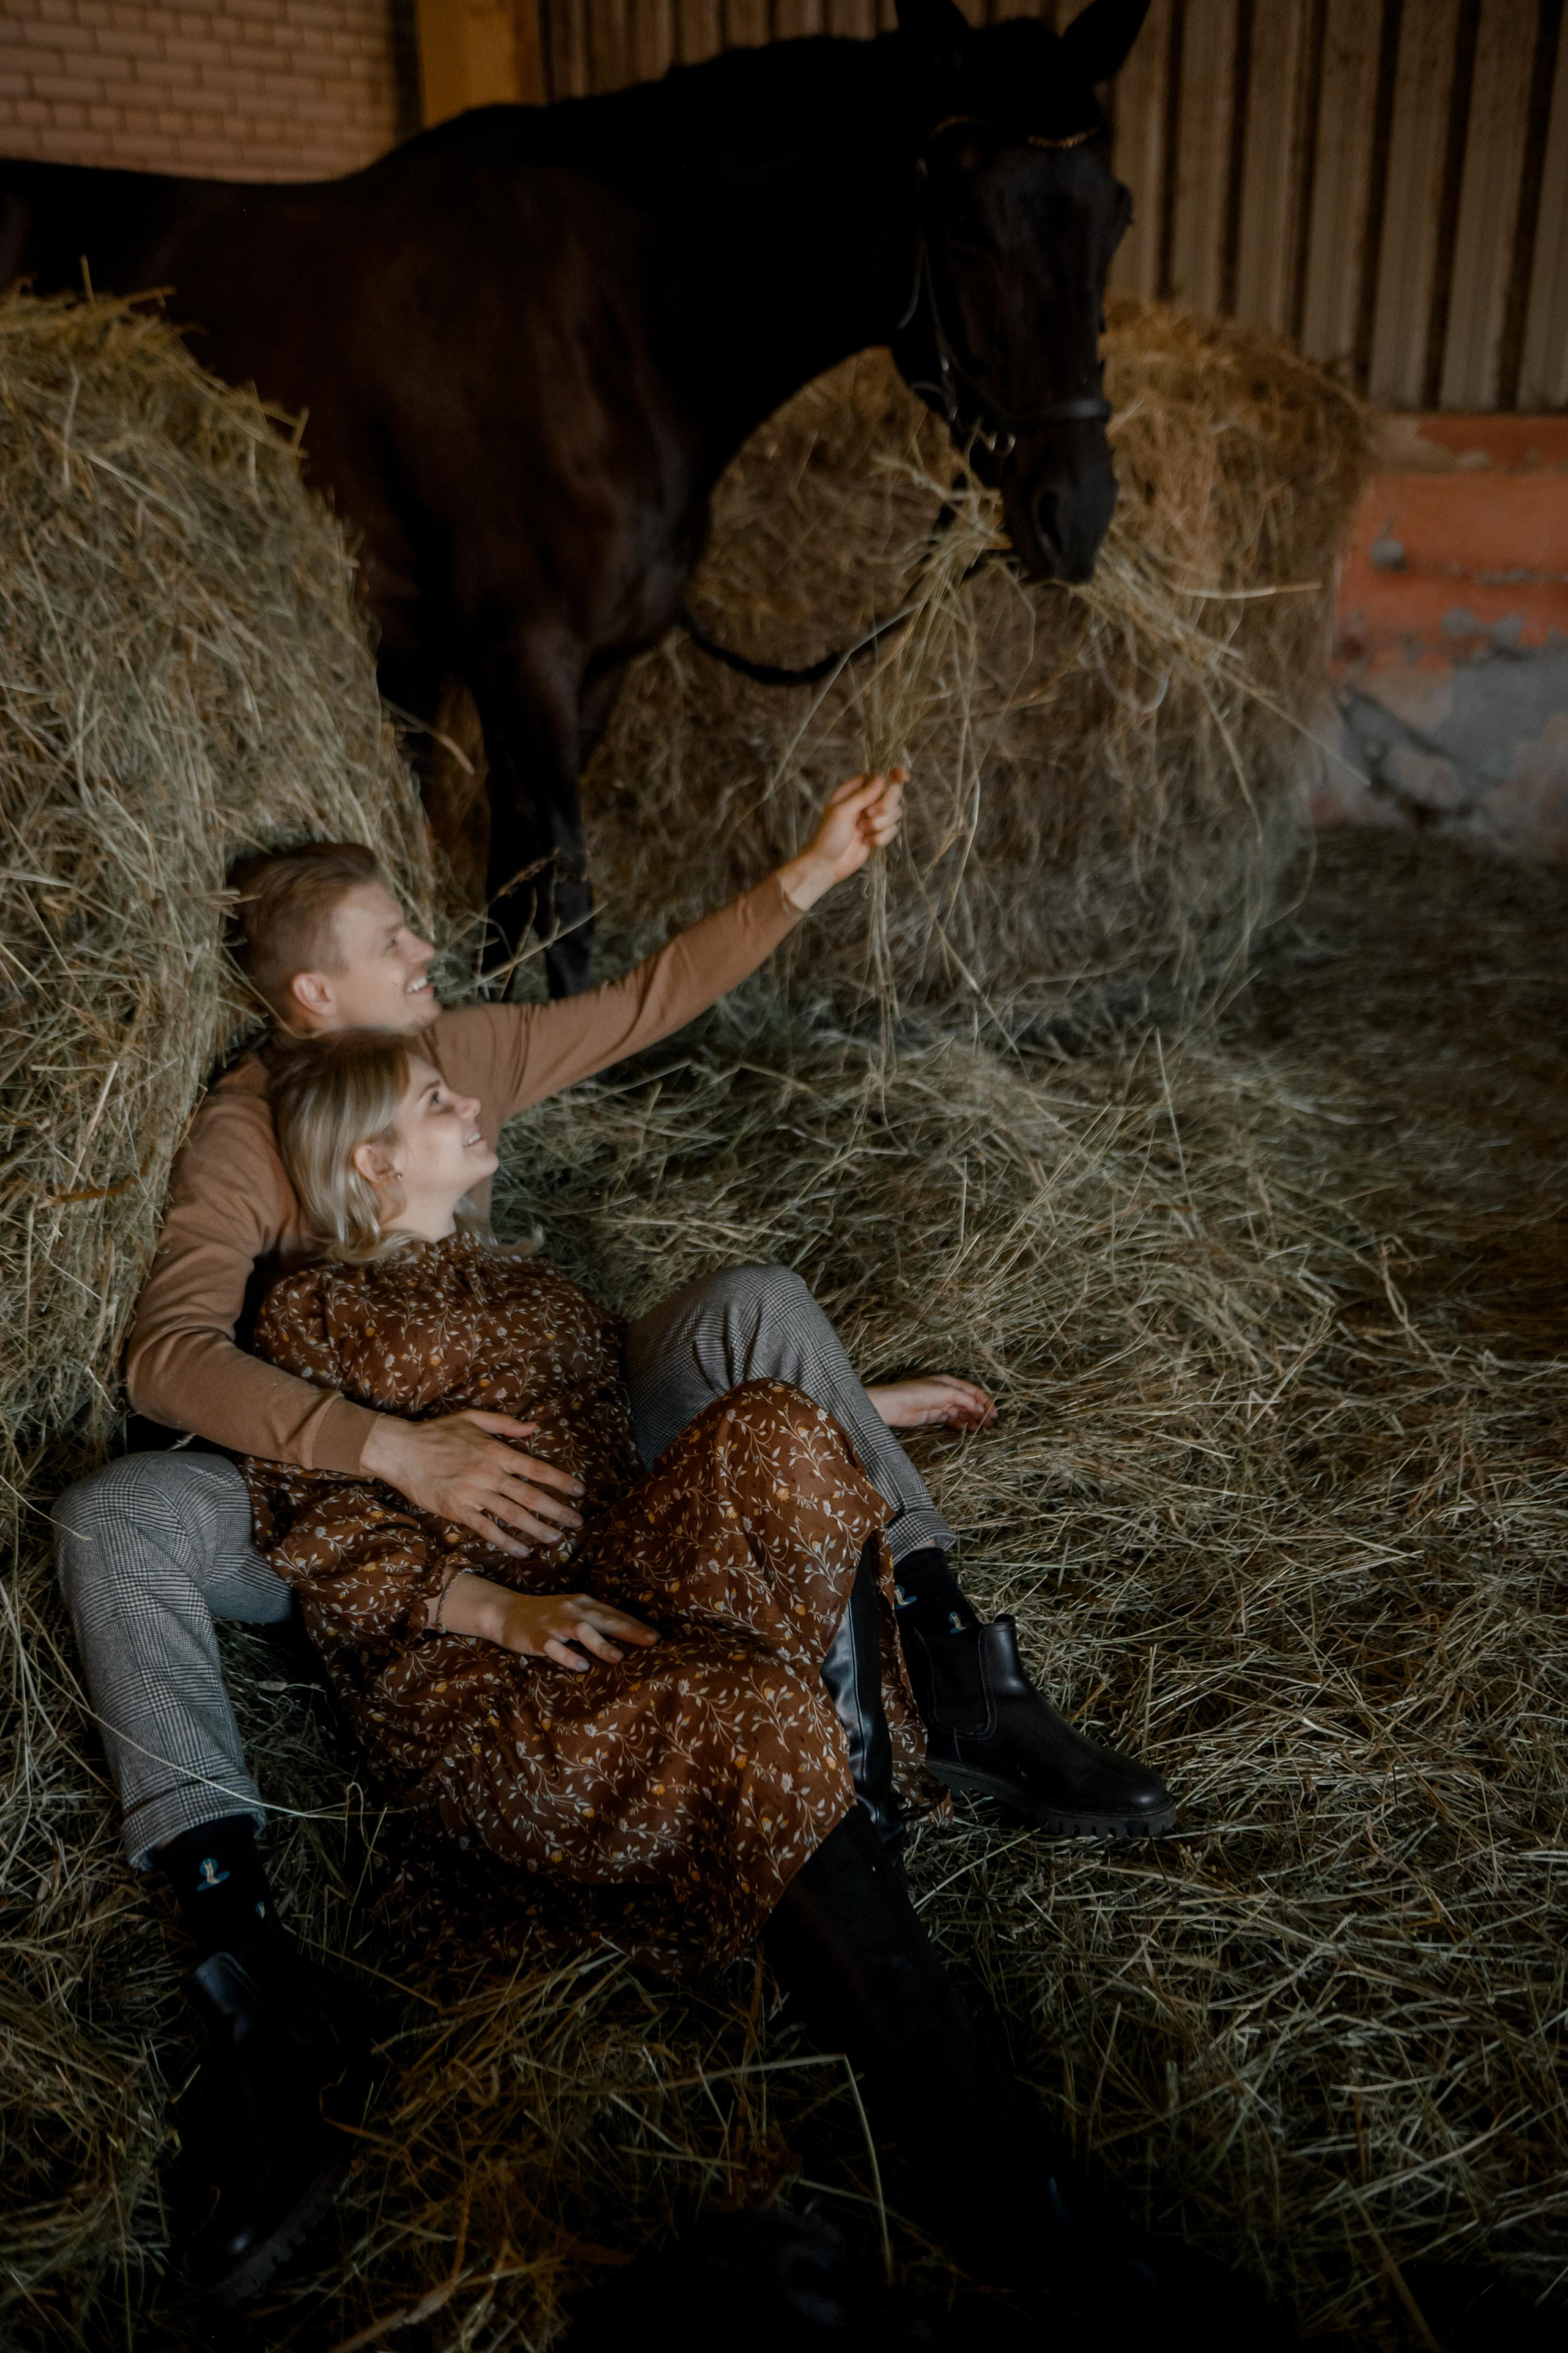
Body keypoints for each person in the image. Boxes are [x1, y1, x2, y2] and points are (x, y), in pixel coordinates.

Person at [53, 774, 1170, 2299]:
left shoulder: (452, 1087)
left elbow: (643, 1002)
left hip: (547, 1461)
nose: (433, 959)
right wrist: (403, 1471)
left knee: (765, 1321)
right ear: (317, 993)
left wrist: (810, 875)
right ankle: (250, 1987)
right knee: (121, 1520)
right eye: (398, 938)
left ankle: (949, 1670)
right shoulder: (254, 1147)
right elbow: (169, 1360)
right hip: (341, 1467)